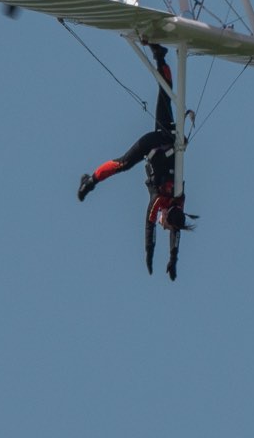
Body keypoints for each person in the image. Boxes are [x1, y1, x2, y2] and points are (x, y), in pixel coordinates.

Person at [77, 43, 194, 279]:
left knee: (165, 94)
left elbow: (175, 230)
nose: (162, 225)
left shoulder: (178, 201)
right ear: (166, 219)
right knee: (123, 164)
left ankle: (160, 57)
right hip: (156, 144)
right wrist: (150, 255)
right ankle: (90, 181)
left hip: (167, 139)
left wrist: (173, 259)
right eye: (166, 225)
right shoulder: (162, 200)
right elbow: (149, 228)